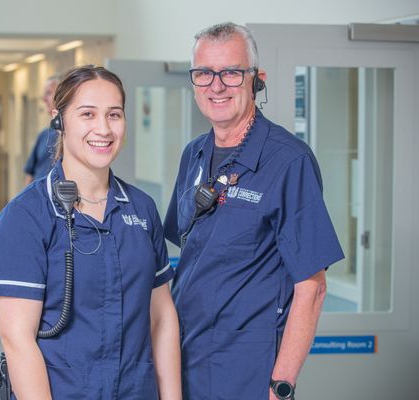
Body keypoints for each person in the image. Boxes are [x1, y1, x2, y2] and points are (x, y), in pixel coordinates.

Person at [164, 23, 345, 400]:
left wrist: (281, 386)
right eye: (204, 73)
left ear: (256, 80)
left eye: (230, 72)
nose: (216, 86)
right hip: (183, 358)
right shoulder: (193, 154)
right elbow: (192, 257)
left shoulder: (288, 161)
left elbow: (311, 288)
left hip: (245, 370)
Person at [0, 65, 181, 399]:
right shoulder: (26, 217)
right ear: (59, 120)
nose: (103, 129)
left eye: (114, 114)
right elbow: (17, 339)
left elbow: (161, 318)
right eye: (87, 114)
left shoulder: (141, 209)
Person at [23, 75, 60, 185]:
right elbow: (30, 174)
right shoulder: (44, 135)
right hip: (38, 199)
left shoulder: (73, 137)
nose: (44, 99)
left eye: (49, 93)